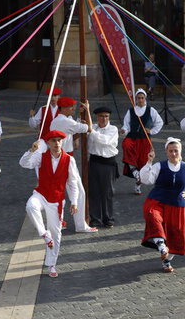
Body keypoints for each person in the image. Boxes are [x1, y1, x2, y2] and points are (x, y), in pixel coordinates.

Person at [19, 130, 80, 278]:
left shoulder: (69, 160)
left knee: (56, 233)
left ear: (62, 142)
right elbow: (24, 164)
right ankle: (43, 233)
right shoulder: (41, 157)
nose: (57, 143)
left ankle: (52, 264)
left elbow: (72, 182)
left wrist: (74, 201)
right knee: (30, 206)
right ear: (48, 143)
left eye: (59, 140)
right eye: (53, 141)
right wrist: (31, 151)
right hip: (41, 194)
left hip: (57, 200)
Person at [140, 138, 185, 273]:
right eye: (170, 151)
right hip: (157, 201)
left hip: (177, 205)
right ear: (166, 152)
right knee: (152, 216)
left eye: (176, 151)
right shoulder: (159, 166)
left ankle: (167, 260)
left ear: (180, 151)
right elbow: (146, 179)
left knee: (176, 235)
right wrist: (149, 161)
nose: (173, 154)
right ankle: (161, 245)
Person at [50, 96, 96, 232]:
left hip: (60, 158)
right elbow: (89, 128)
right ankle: (79, 225)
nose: (73, 108)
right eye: (71, 107)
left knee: (60, 192)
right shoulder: (64, 122)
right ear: (63, 108)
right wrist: (87, 110)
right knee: (76, 191)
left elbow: (74, 132)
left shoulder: (61, 120)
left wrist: (80, 114)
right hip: (64, 159)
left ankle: (61, 222)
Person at [120, 89, 164, 195]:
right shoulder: (131, 110)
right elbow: (126, 124)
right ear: (136, 99)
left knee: (142, 162)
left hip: (144, 139)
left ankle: (138, 185)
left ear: (145, 98)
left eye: (142, 98)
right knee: (126, 145)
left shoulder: (151, 110)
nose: (140, 100)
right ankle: (135, 173)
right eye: (138, 98)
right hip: (132, 137)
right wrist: (124, 130)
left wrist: (151, 131)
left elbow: (159, 122)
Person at [87, 106, 119, 228]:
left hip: (107, 164)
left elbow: (105, 141)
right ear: (97, 117)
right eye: (101, 116)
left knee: (107, 192)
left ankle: (108, 218)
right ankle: (95, 218)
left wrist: (91, 130)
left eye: (106, 116)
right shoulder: (93, 127)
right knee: (93, 191)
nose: (104, 119)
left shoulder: (113, 129)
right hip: (94, 162)